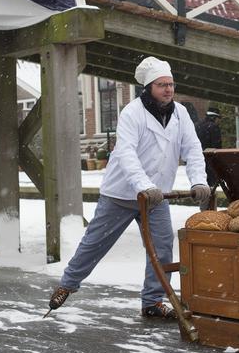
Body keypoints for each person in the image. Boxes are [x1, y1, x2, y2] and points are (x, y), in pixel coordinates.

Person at [48, 57, 210, 319]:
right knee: (95, 244)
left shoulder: (180, 113)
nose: (168, 89)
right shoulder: (132, 113)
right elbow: (126, 153)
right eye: (161, 85)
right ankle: (67, 284)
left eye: (171, 84)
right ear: (149, 87)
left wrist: (198, 180)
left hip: (157, 197)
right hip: (121, 194)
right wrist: (144, 185)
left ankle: (153, 301)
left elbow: (192, 149)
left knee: (162, 247)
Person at [195, 107, 222, 189]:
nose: (219, 121)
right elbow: (217, 145)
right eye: (218, 118)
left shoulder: (197, 125)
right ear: (214, 117)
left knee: (203, 181)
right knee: (212, 185)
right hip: (210, 158)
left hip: (199, 157)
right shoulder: (213, 127)